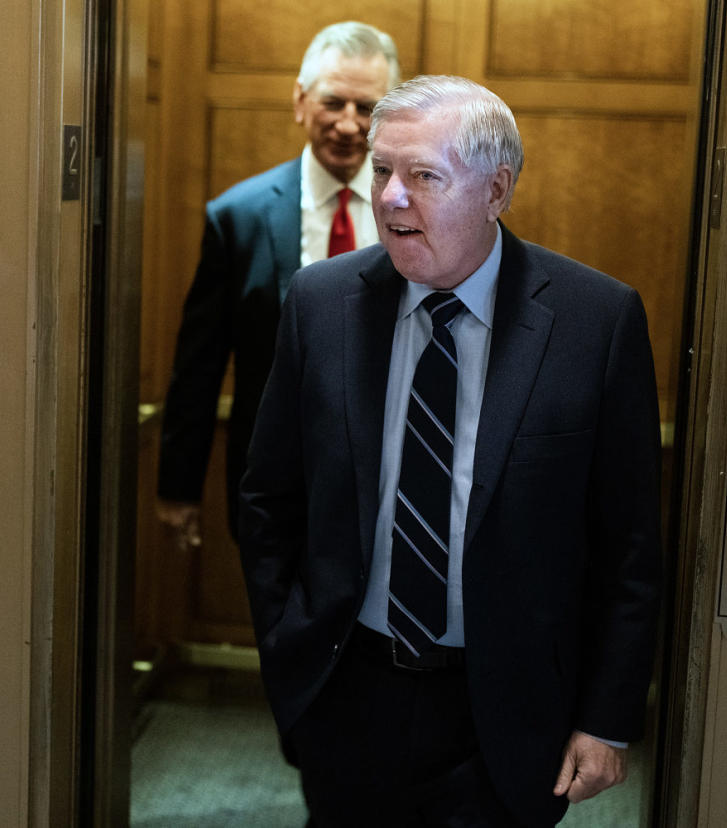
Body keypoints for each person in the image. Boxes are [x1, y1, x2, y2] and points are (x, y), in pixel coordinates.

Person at [238, 75, 663, 826]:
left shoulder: (596, 322)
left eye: (423, 176)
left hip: (507, 710)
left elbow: (629, 547)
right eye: (383, 171)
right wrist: (287, 653)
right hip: (347, 692)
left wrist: (606, 716)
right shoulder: (319, 304)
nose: (391, 198)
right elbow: (270, 497)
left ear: (496, 189)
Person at [157, 22, 401, 547]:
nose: (348, 124)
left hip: (394, 480)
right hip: (272, 487)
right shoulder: (238, 219)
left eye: (367, 108)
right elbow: (198, 366)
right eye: (333, 102)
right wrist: (179, 488)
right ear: (300, 100)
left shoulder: (415, 213)